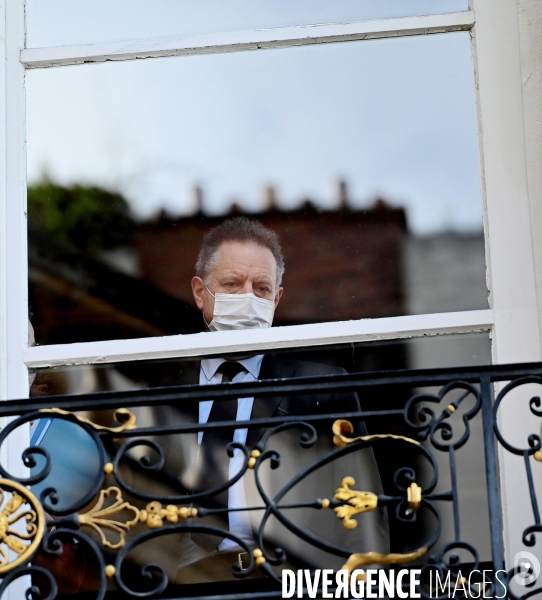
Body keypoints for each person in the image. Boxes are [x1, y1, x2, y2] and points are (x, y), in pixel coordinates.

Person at [128, 217, 388, 585]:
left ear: (277, 298)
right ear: (200, 292)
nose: (248, 298)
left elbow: (363, 509)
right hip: (181, 583)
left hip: (291, 581)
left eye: (262, 288)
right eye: (233, 284)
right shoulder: (158, 397)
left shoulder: (323, 387)